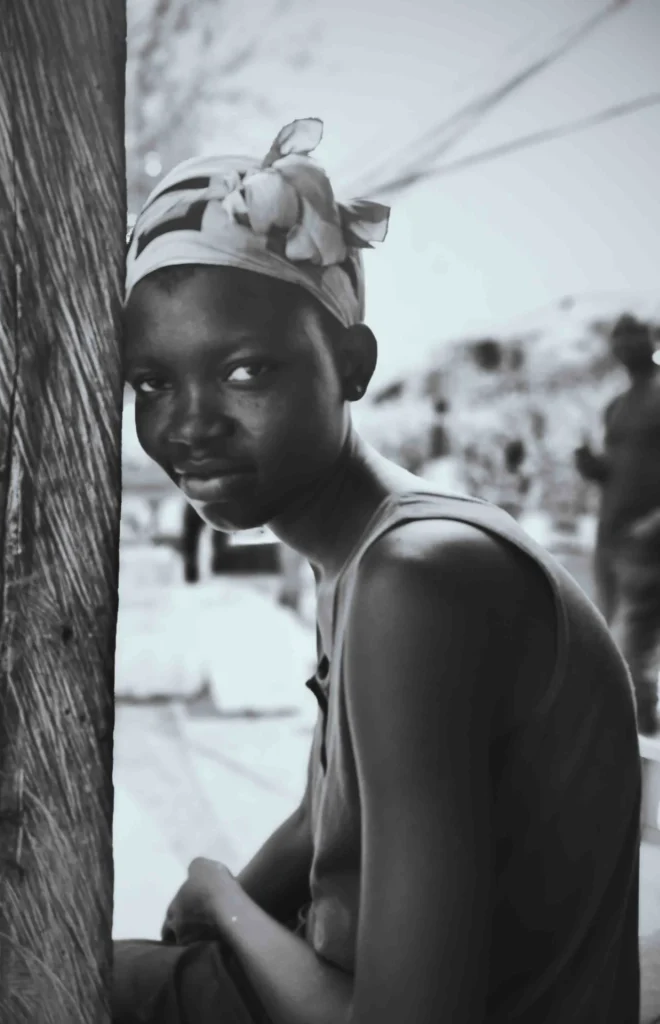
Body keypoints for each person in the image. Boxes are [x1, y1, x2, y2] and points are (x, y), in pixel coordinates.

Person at [116, 118, 641, 1024]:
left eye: (244, 371)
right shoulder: (362, 555)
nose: (188, 424)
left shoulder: (417, 580)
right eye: (152, 384)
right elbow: (338, 810)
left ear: (352, 366)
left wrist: (221, 899)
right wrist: (236, 896)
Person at [574, 313, 660, 734]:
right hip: (610, 539)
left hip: (646, 544)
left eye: (633, 334)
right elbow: (615, 470)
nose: (625, 343)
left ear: (651, 338)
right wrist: (589, 465)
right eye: (618, 337)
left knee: (630, 653)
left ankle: (641, 748)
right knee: (615, 647)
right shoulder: (617, 405)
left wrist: (653, 526)